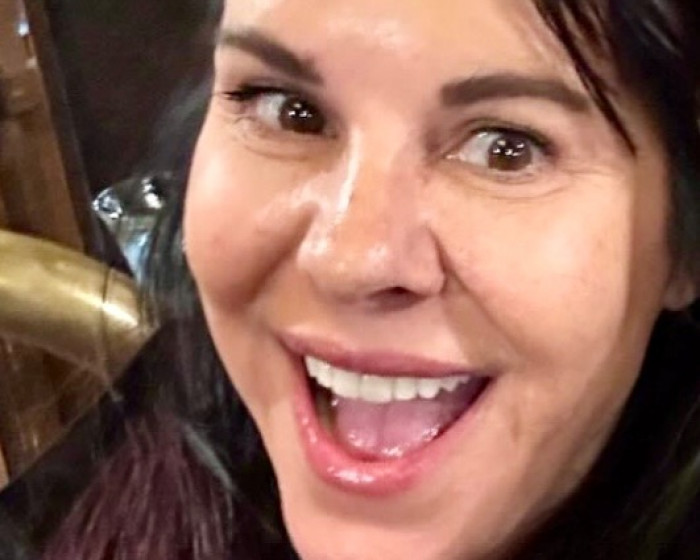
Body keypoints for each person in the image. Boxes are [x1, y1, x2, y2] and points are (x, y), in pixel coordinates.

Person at [2, 0, 699, 558]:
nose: (349, 259)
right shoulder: (128, 469)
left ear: (683, 243)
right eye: (289, 110)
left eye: (507, 149)